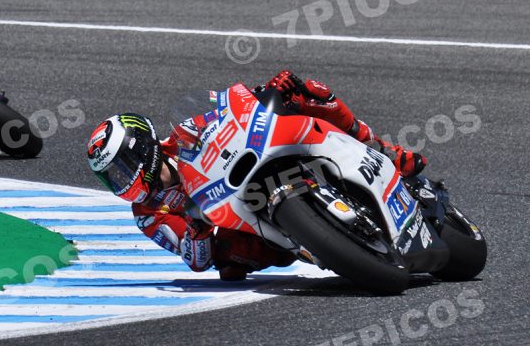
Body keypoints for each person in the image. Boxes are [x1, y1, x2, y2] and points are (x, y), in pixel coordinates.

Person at [86, 71, 427, 281]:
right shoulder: (147, 215)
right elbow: (196, 260)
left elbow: (231, 113)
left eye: (121, 168)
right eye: (111, 177)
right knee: (229, 263)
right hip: (239, 217)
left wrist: (264, 93)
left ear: (142, 147)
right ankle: (309, 242)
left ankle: (381, 148)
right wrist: (197, 227)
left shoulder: (184, 135)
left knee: (306, 92)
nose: (121, 180)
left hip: (251, 166)